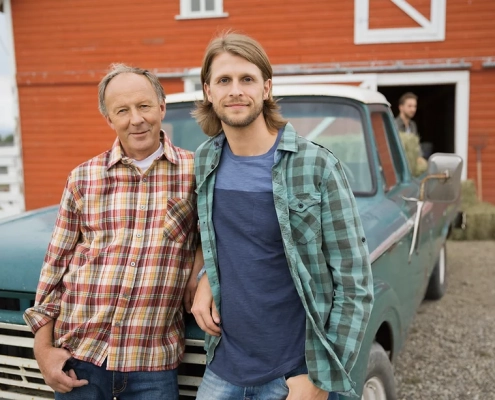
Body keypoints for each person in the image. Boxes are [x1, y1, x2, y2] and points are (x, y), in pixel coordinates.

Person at [190, 33, 374, 400]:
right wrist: (205, 277)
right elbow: (217, 239)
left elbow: (355, 283)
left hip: (296, 375)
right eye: (224, 80)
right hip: (224, 367)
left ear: (267, 88)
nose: (235, 90)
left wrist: (322, 379)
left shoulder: (316, 165)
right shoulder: (204, 160)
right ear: (209, 92)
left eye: (247, 79)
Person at [23, 63, 203, 400]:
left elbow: (215, 235)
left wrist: (198, 267)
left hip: (153, 361)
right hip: (80, 358)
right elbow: (54, 268)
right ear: (109, 119)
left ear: (161, 107)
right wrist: (43, 351)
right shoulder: (83, 178)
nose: (136, 119)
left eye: (144, 106)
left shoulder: (196, 173)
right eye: (122, 110)